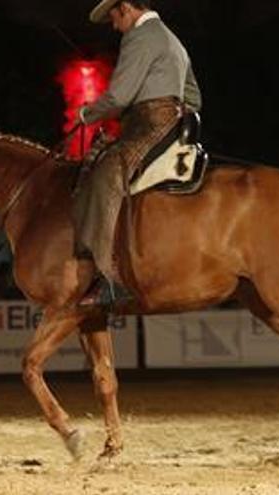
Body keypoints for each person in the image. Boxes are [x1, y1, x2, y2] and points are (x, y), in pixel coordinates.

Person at [72, 0, 202, 306]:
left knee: (106, 172)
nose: (115, 26)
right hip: (171, 121)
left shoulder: (140, 36)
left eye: (114, 18)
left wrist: (86, 114)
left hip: (150, 126)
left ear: (126, 8)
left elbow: (119, 95)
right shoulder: (172, 39)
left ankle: (106, 279)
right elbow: (194, 97)